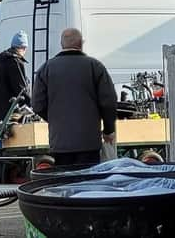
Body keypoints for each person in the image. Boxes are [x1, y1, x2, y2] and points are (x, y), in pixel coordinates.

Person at [32, 28, 117, 166]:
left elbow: (37, 105)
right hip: (89, 141)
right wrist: (108, 130)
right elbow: (108, 102)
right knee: (87, 182)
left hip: (60, 142)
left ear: (61, 44)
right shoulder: (95, 66)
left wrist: (55, 119)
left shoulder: (46, 69)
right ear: (81, 44)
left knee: (66, 182)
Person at [0, 31, 29, 122]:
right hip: (11, 110)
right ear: (23, 48)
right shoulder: (15, 62)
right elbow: (20, 88)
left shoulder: (0, 61)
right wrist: (31, 104)